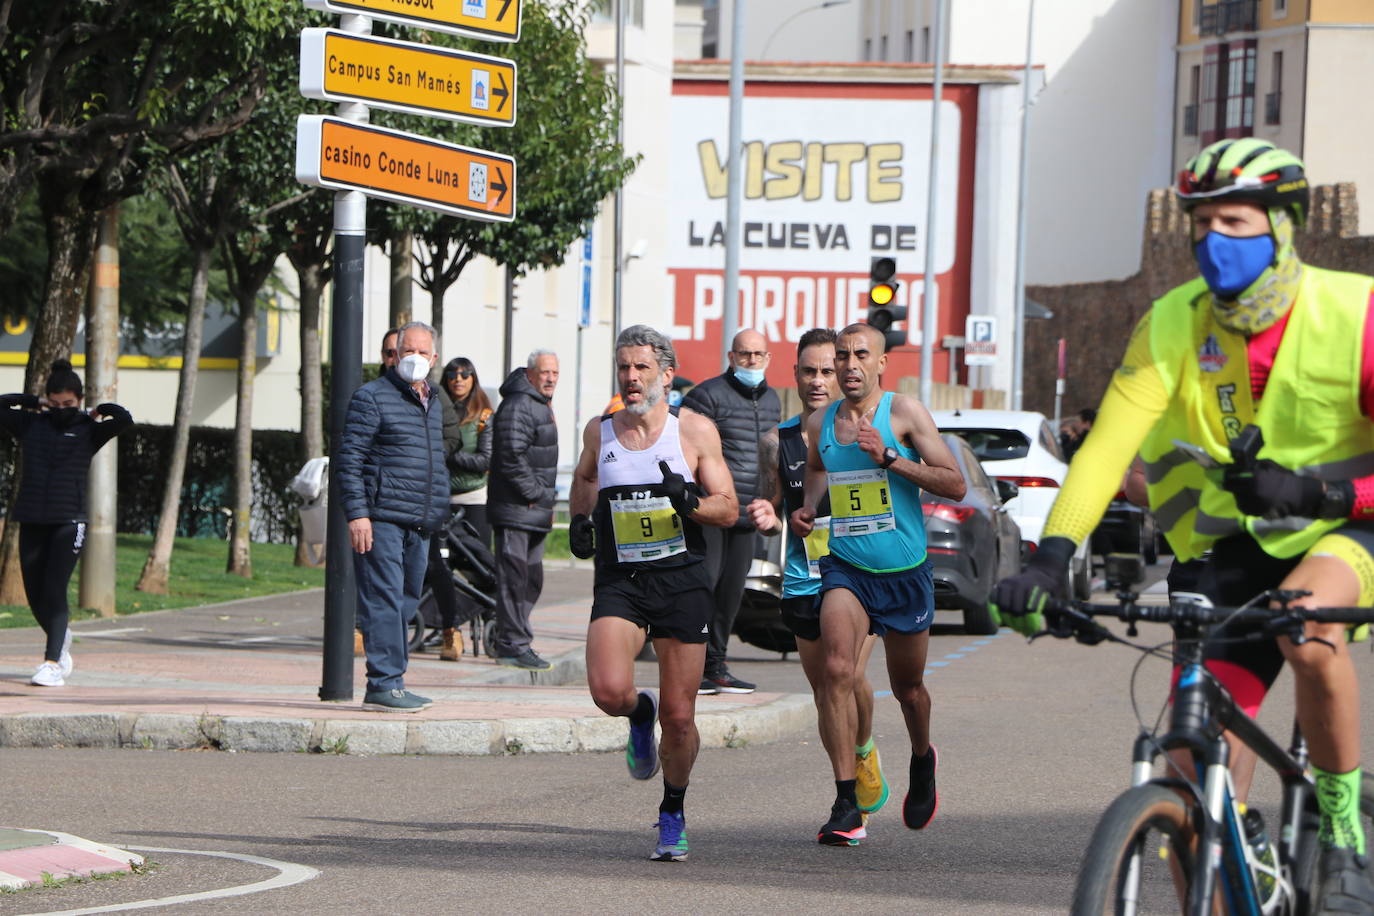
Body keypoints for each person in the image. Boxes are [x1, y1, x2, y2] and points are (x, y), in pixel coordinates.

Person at [992, 138, 1374, 913]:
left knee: (1305, 630)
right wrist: (1048, 558)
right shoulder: (1172, 321)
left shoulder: (1354, 311)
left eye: (1234, 221)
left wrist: (1322, 497)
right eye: (1200, 224)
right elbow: (1105, 451)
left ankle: (1342, 826)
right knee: (1187, 779)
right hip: (1233, 545)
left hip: (1347, 527)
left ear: (1284, 228)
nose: (1212, 240)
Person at [789, 323, 966, 845]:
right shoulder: (821, 421)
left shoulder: (904, 413)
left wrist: (891, 459)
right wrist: (806, 508)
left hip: (905, 572)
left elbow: (954, 483)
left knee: (908, 689)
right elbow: (820, 470)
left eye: (860, 355)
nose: (848, 365)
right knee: (837, 670)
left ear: (882, 362)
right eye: (841, 355)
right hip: (847, 568)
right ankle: (847, 801)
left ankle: (921, 758)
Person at [567, 324, 737, 862]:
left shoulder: (693, 432)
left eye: (641, 368)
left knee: (682, 717)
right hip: (623, 579)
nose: (631, 377)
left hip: (682, 580)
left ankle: (672, 810)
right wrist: (578, 519)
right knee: (607, 691)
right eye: (624, 368)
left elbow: (728, 508)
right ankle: (639, 714)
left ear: (666, 374)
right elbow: (585, 477)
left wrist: (687, 500)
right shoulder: (602, 430)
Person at [745, 328, 890, 842]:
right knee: (827, 687)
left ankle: (848, 792)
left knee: (842, 674)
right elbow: (773, 506)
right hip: (805, 576)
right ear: (795, 376)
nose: (819, 380)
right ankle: (857, 755)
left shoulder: (870, 428)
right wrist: (766, 514)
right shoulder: (777, 442)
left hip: (862, 574)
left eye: (829, 370)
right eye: (809, 371)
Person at [336, 321, 449, 712]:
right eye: (407, 350)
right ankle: (384, 684)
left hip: (419, 521)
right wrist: (358, 515)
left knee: (404, 601)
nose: (415, 358)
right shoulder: (372, 398)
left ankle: (392, 681)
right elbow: (349, 460)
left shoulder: (433, 402)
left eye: (423, 351)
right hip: (381, 517)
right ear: (394, 355)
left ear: (434, 358)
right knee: (383, 599)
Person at [0, 360, 132, 687]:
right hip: (31, 517)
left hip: (69, 520)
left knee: (55, 589)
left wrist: (98, 409)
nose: (61, 409)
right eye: (55, 403)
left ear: (78, 400)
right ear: (48, 400)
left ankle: (52, 663)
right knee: (35, 594)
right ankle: (61, 640)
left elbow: (125, 419)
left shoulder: (89, 430)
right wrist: (33, 403)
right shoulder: (31, 425)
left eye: (68, 404)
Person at [681, 328, 781, 694]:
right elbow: (684, 449)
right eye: (744, 354)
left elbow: (771, 457)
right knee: (702, 588)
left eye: (758, 354)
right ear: (730, 356)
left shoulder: (772, 399)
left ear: (768, 358)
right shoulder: (707, 395)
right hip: (711, 509)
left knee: (731, 593)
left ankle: (717, 664)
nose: (751, 361)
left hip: (747, 512)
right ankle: (692, 666)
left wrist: (770, 501)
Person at [487, 349, 560, 671]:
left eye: (555, 373)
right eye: (545, 372)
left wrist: (546, 501)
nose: (550, 378)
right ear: (530, 373)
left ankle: (517, 637)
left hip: (534, 510)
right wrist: (534, 493)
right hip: (516, 508)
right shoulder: (519, 404)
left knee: (531, 580)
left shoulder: (538, 404)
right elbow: (509, 456)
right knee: (514, 579)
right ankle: (512, 644)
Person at [436, 357, 494, 661]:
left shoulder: (484, 415)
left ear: (473, 378)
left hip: (474, 500)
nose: (459, 379)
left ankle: (487, 620)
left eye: (465, 374)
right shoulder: (439, 409)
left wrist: (451, 455)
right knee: (441, 566)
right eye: (453, 375)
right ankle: (446, 624)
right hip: (443, 498)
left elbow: (485, 460)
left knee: (479, 566)